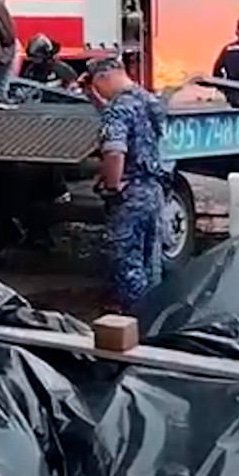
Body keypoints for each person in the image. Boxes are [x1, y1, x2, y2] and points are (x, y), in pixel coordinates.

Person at [83, 54, 171, 312]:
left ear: (104, 77)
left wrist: (112, 186)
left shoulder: (117, 109)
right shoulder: (147, 100)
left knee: (126, 265)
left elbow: (114, 151)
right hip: (153, 192)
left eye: (96, 84)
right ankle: (155, 324)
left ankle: (135, 327)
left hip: (129, 196)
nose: (98, 89)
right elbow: (129, 120)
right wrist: (93, 97)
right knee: (150, 263)